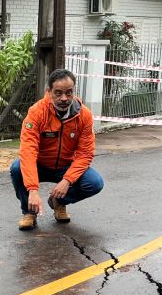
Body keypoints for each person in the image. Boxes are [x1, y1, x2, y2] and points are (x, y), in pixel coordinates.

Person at [10, 68, 104, 230]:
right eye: (58, 93)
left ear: (74, 92)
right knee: (17, 168)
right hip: (41, 165)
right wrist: (32, 189)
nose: (64, 98)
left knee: (95, 183)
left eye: (69, 93)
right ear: (49, 92)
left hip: (66, 166)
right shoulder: (37, 112)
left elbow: (85, 154)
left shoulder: (85, 116)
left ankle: (59, 202)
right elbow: (28, 151)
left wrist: (67, 181)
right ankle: (29, 212)